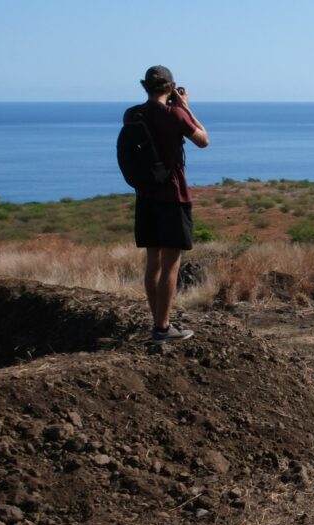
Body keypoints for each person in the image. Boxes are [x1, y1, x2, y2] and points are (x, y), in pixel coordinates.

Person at [124, 65, 210, 341]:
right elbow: (203, 140)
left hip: (146, 195)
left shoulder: (132, 115)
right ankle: (162, 327)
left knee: (153, 262)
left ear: (145, 86)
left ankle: (159, 321)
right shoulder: (175, 115)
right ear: (171, 87)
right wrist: (186, 107)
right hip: (173, 196)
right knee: (171, 263)